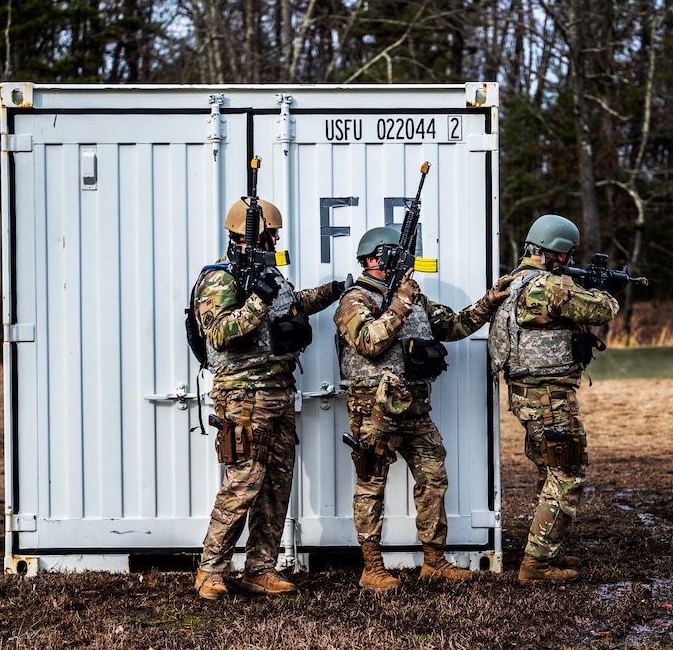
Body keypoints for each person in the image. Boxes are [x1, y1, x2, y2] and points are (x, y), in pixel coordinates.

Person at [335, 226, 511, 592]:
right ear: (373, 260)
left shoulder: (417, 300)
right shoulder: (355, 300)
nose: (402, 266)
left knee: (433, 479)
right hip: (374, 412)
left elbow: (455, 324)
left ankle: (434, 560)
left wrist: (491, 300)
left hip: (415, 410)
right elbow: (369, 342)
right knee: (371, 485)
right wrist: (400, 302)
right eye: (391, 258)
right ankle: (372, 567)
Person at [192, 197, 346, 601]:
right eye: (270, 235)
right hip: (242, 397)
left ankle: (260, 569)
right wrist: (257, 298)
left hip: (280, 394)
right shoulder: (218, 281)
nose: (276, 239)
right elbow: (221, 333)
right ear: (249, 238)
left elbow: (292, 306)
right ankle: (210, 570)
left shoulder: (272, 278)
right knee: (242, 483)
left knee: (277, 487)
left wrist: (333, 291)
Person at [488, 214, 619, 583]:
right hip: (549, 398)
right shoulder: (548, 286)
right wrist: (605, 291)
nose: (571, 263)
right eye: (568, 256)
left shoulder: (514, 281)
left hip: (528, 395)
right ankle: (537, 564)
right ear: (555, 254)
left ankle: (548, 547)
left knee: (549, 469)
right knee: (567, 472)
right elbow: (601, 310)